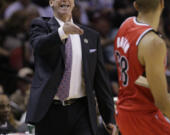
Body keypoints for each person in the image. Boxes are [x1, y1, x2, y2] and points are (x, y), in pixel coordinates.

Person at [25, 0, 117, 135]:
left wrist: (109, 117)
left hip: (81, 111)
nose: (64, 0)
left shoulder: (91, 35)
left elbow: (100, 79)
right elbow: (39, 46)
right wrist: (62, 32)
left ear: (73, 3)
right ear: (51, 2)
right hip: (49, 111)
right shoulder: (40, 26)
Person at [114, 0, 170, 135]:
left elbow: (137, 77)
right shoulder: (154, 42)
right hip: (143, 117)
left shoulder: (125, 25)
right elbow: (161, 103)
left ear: (135, 5)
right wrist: (166, 99)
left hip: (123, 114)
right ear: (162, 4)